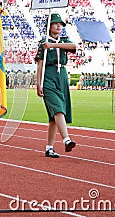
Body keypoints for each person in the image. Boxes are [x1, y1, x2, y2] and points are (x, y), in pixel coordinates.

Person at [35, 13, 77, 158]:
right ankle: (66, 140)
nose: (59, 26)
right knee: (58, 109)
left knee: (54, 117)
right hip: (49, 76)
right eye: (55, 23)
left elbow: (73, 46)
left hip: (62, 76)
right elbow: (40, 65)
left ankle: (49, 147)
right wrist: (38, 83)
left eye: (60, 24)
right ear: (49, 26)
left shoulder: (63, 41)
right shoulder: (42, 43)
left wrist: (53, 45)